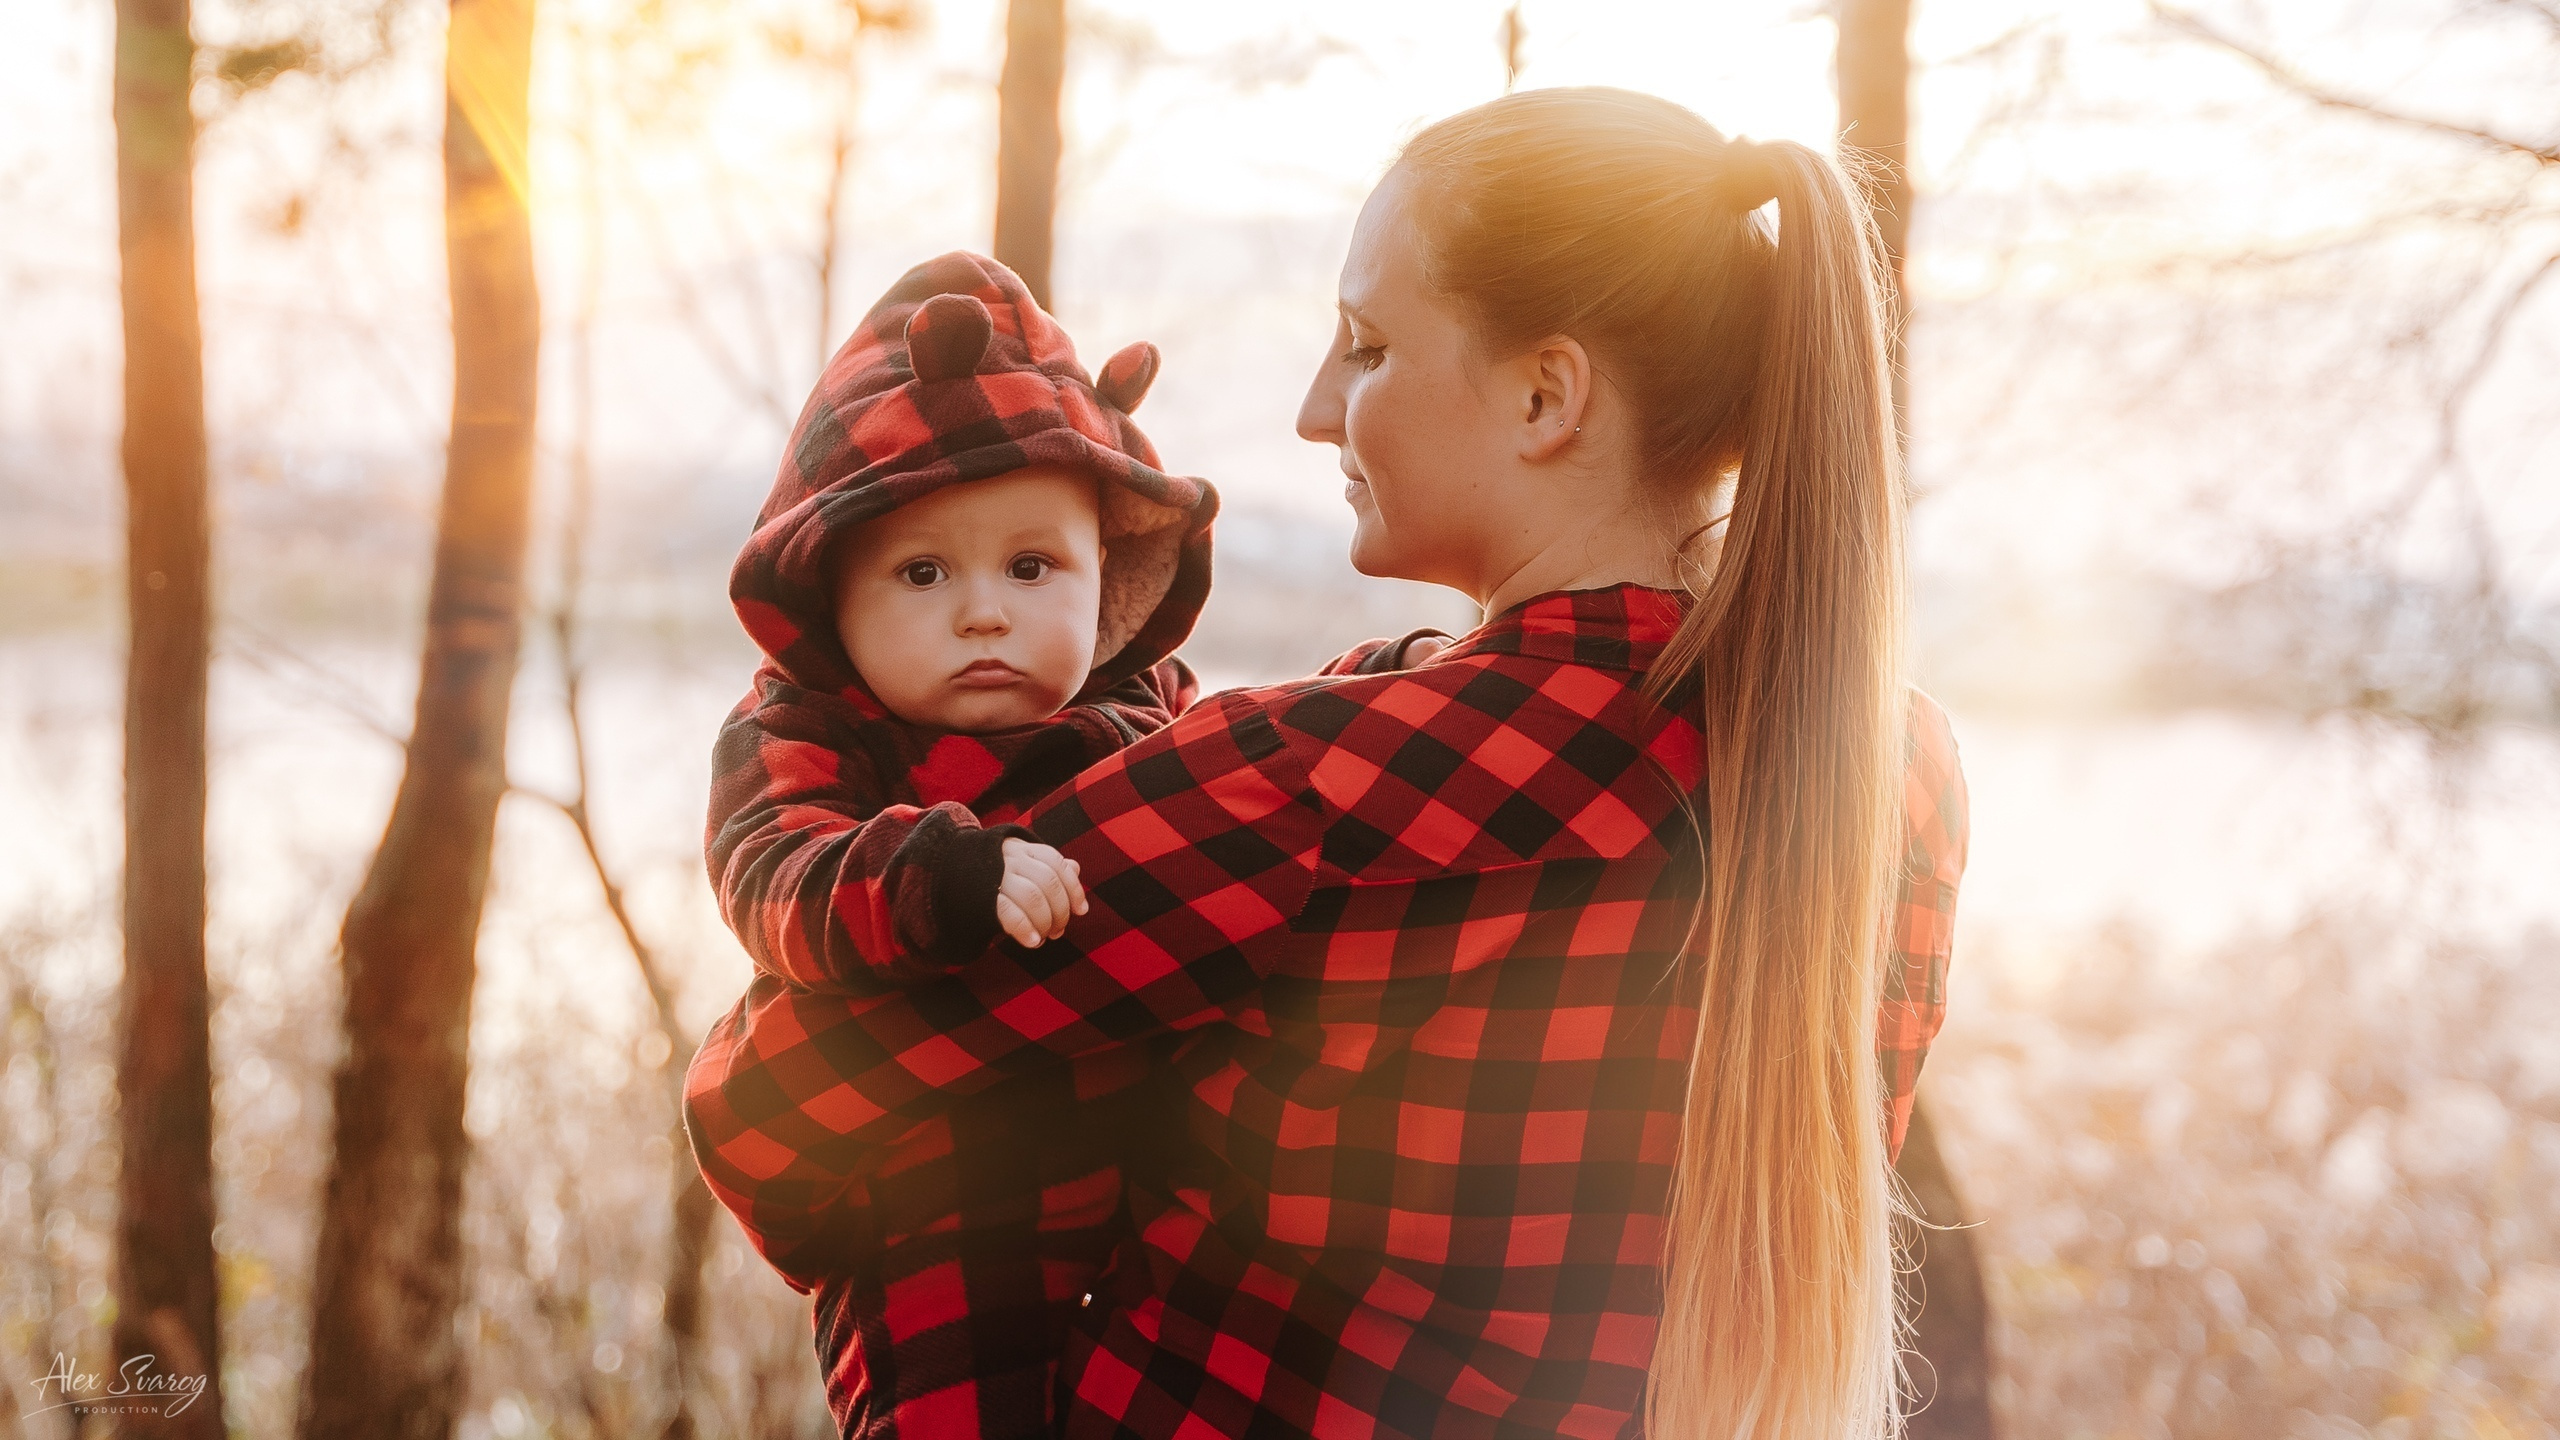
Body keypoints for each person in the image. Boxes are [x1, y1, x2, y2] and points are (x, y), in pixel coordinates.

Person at [687, 89, 1969, 1440]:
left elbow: (771, 1117)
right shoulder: (1897, 772)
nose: (1313, 410)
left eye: (1366, 347)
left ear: (1545, 396)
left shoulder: (1302, 783)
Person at [702, 251, 1227, 1437]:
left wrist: (1384, 671)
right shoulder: (813, 730)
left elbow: (1252, 780)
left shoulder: (1149, 709)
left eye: (1033, 567)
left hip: (1144, 1177)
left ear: (1111, 578)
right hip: (929, 1208)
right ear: (832, 591)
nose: (985, 611)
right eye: (922, 571)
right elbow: (773, 875)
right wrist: (938, 872)